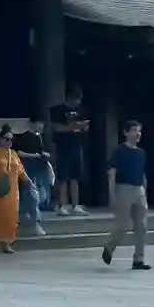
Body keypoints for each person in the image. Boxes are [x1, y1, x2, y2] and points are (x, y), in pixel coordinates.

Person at [102, 118, 150, 271]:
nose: (138, 134)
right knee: (122, 225)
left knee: (142, 225)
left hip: (139, 189)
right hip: (123, 188)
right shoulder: (119, 151)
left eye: (139, 131)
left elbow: (142, 173)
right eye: (134, 130)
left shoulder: (141, 153)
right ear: (126, 133)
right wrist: (112, 194)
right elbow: (112, 173)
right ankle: (110, 247)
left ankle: (139, 259)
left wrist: (144, 189)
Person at [50, 86, 90, 216]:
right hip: (63, 146)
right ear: (68, 98)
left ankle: (75, 205)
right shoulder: (57, 110)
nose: (77, 102)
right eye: (75, 99)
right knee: (63, 176)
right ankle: (62, 205)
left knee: (75, 176)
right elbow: (57, 128)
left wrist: (79, 127)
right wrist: (73, 127)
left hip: (77, 144)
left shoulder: (82, 110)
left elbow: (86, 126)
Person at [14, 121, 54, 238]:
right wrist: (34, 155)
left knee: (41, 195)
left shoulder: (40, 138)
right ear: (31, 124)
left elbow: (44, 153)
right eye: (38, 123)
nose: (41, 126)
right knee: (32, 195)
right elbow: (18, 153)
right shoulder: (24, 137)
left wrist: (45, 156)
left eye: (42, 124)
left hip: (40, 169)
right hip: (28, 169)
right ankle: (35, 222)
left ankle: (26, 214)